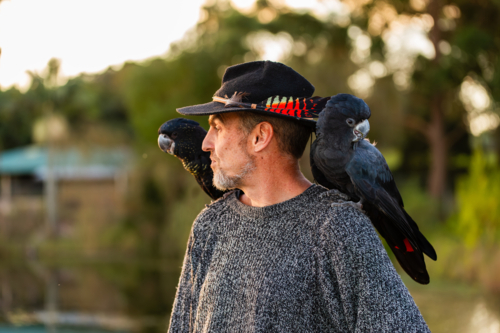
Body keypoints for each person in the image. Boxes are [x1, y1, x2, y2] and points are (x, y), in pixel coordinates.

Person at [167, 61, 430, 332]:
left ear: (260, 137)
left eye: (218, 128)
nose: (205, 143)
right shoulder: (209, 225)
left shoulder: (339, 228)